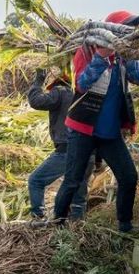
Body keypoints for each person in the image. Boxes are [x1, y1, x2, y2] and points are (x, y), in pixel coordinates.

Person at [53, 11, 139, 233]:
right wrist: (101, 58)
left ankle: (125, 225)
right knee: (73, 180)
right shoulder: (87, 52)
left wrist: (129, 55)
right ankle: (56, 225)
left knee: (128, 177)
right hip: (83, 129)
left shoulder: (125, 59)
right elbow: (81, 84)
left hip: (109, 133)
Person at [26, 69, 93, 221]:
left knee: (35, 181)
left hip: (68, 150)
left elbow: (36, 101)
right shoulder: (90, 91)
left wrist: (38, 81)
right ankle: (77, 227)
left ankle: (38, 219)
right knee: (78, 195)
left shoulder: (62, 91)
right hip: (90, 150)